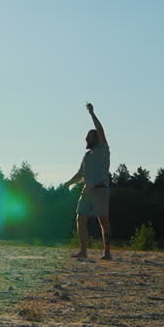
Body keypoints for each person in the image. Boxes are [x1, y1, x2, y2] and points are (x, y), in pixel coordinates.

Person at [64, 103, 112, 260]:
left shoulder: (103, 149)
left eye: (88, 136)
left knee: (103, 220)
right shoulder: (87, 156)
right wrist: (69, 183)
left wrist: (92, 113)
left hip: (100, 189)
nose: (85, 138)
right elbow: (80, 174)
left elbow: (101, 130)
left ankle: (107, 253)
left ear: (96, 138)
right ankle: (83, 251)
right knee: (80, 218)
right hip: (87, 190)